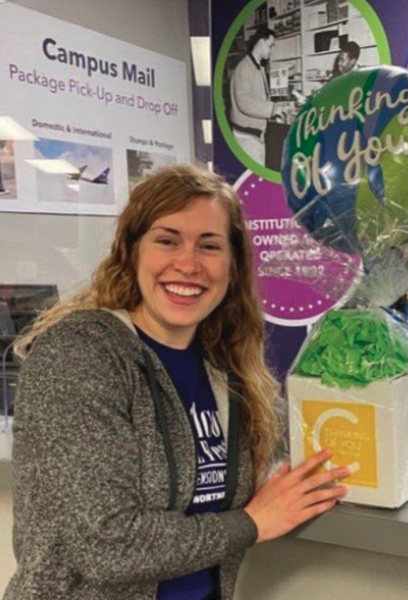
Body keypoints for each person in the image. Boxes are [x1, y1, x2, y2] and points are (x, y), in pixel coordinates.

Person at [4, 163, 348, 600]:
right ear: (131, 252)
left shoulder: (222, 368)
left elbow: (284, 458)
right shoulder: (82, 353)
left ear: (233, 265)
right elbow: (107, 545)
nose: (188, 264)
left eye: (209, 246)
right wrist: (252, 524)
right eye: (167, 240)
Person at [229, 27, 287, 166]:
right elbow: (245, 102)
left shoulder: (257, 67)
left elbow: (260, 97)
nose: (272, 50)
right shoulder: (244, 68)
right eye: (270, 45)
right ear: (261, 43)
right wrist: (273, 109)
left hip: (256, 134)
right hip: (247, 136)